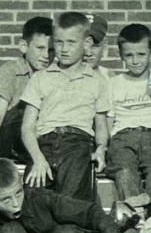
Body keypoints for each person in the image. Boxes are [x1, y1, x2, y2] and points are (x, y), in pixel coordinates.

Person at [18, 11, 109, 204]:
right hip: (44, 145)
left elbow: (101, 125)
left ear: (86, 45)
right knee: (33, 204)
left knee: (69, 204)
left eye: (71, 42)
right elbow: (27, 127)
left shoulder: (97, 81)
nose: (64, 49)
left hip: (77, 145)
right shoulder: (40, 78)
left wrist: (101, 149)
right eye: (59, 42)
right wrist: (37, 158)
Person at [0, 15, 52, 166]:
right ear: (24, 46)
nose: (46, 56)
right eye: (40, 48)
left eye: (51, 50)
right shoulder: (10, 71)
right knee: (26, 108)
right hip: (3, 140)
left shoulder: (51, 75)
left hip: (31, 142)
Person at [103, 24, 151, 210]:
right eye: (129, 55)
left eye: (141, 54)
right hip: (123, 137)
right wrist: (104, 146)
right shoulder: (113, 83)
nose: (135, 61)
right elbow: (109, 119)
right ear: (121, 56)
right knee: (124, 171)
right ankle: (133, 218)